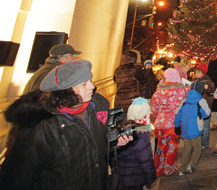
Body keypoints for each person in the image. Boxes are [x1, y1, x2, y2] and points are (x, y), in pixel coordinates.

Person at [0, 60, 131, 189]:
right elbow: (17, 177)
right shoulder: (40, 126)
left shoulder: (98, 107)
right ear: (66, 91)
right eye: (84, 84)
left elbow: (93, 149)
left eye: (90, 81)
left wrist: (112, 144)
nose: (92, 86)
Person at [151, 68, 187, 176]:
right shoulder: (181, 91)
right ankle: (169, 168)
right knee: (172, 147)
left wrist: (154, 118)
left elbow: (154, 108)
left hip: (161, 122)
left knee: (161, 146)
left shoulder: (159, 91)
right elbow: (183, 106)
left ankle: (159, 167)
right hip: (174, 123)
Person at [117, 98, 156, 190]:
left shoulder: (122, 129)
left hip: (122, 176)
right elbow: (146, 159)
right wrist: (150, 178)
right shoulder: (142, 135)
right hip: (136, 177)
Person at [174, 80, 210, 175]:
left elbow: (177, 114)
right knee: (197, 148)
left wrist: (177, 126)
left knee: (187, 149)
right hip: (196, 130)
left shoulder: (184, 101)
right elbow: (207, 114)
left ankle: (183, 168)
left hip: (185, 130)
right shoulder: (201, 101)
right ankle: (192, 166)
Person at [194, 62, 215, 149]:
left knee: (206, 126)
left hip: (205, 106)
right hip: (197, 106)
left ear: (203, 72)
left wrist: (207, 89)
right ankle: (198, 142)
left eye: (199, 72)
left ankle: (205, 143)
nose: (197, 74)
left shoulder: (208, 81)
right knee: (198, 125)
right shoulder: (195, 81)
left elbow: (212, 91)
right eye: (196, 72)